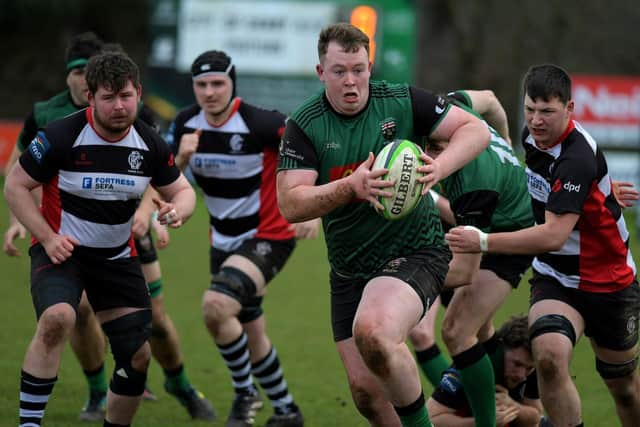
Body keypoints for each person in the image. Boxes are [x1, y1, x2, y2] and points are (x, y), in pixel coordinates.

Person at [277, 23, 490, 427]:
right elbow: (291, 203)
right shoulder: (305, 124)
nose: (351, 81)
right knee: (367, 394)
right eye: (339, 71)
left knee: (374, 332)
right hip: (348, 268)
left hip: (416, 250)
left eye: (358, 69)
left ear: (370, 66)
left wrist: (436, 168)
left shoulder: (402, 101)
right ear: (321, 72)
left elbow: (474, 129)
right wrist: (349, 186)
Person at [3, 33, 214, 422]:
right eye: (108, 97)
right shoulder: (61, 135)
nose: (119, 106)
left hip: (117, 258)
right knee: (58, 318)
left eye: (126, 96)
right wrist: (47, 238)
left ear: (139, 93)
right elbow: (15, 184)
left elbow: (182, 190)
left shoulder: (148, 142)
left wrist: (177, 212)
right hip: (62, 252)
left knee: (138, 354)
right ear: (91, 98)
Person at [445, 64, 640, 427]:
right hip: (556, 278)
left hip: (609, 283)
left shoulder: (576, 157)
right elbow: (546, 191)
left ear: (569, 109)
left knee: (624, 387)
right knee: (548, 355)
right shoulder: (533, 138)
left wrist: (483, 241)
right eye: (530, 109)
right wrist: (600, 194)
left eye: (547, 111)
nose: (536, 120)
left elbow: (552, 234)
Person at [169, 49, 317, 427]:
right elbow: (164, 182)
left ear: (232, 83)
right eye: (201, 85)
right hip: (221, 241)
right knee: (247, 330)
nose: (210, 92)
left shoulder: (261, 122)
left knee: (216, 307)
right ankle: (287, 411)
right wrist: (181, 158)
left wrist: (315, 205)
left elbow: (313, 148)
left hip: (268, 235)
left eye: (218, 83)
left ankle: (245, 393)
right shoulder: (185, 124)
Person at [3, 31, 113, 421]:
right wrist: (20, 221)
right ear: (67, 74)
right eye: (78, 71)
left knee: (156, 319)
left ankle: (173, 380)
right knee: (72, 311)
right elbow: (17, 171)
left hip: (115, 231)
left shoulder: (121, 109)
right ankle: (99, 389)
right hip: (58, 234)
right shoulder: (46, 114)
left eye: (91, 70)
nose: (84, 78)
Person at [408, 89, 535, 398]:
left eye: (434, 152)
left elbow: (464, 271)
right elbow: (491, 99)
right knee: (478, 329)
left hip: (511, 235)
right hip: (496, 212)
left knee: (456, 331)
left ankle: (483, 412)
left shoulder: (473, 182)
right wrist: (505, 143)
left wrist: (401, 279)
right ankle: (511, 402)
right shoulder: (449, 111)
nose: (428, 159)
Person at [427, 315, 546, 427]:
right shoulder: (469, 368)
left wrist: (514, 407)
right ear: (502, 350)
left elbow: (536, 416)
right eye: (516, 364)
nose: (522, 375)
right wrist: (482, 422)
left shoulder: (530, 367)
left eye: (529, 368)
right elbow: (431, 419)